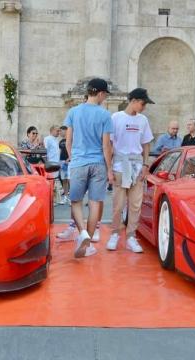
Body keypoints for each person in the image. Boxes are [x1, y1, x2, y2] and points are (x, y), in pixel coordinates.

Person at [64, 78, 114, 258]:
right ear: (100, 93)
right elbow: (106, 145)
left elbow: (68, 141)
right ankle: (87, 243)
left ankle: (82, 233)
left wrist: (72, 156)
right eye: (105, 94)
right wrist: (109, 169)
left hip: (78, 163)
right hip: (98, 164)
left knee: (76, 201)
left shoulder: (73, 112)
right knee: (95, 203)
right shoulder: (105, 114)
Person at [107, 88, 154, 253]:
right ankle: (114, 233)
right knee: (118, 204)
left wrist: (146, 165)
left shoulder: (143, 120)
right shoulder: (115, 118)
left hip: (137, 165)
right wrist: (109, 169)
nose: (144, 107)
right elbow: (109, 144)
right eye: (143, 103)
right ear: (133, 100)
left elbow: (146, 143)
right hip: (120, 165)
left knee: (135, 205)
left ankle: (131, 236)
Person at [43, 125, 62, 204]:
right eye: (57, 131)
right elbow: (45, 151)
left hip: (56, 163)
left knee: (54, 182)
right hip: (50, 164)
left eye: (59, 131)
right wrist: (46, 163)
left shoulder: (56, 140)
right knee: (50, 182)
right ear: (52, 131)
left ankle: (53, 199)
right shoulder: (47, 139)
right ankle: (49, 200)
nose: (59, 132)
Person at [58, 125, 70, 204]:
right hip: (62, 162)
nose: (59, 133)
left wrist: (69, 159)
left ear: (65, 130)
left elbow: (73, 150)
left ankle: (72, 198)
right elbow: (60, 151)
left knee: (70, 180)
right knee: (64, 180)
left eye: (61, 131)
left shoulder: (71, 139)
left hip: (69, 162)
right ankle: (65, 197)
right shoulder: (61, 141)